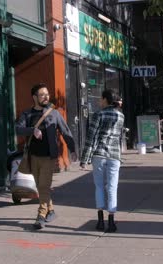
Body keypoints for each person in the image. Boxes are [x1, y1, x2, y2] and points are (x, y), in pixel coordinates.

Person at [16, 83, 78, 230]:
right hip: (33, 157)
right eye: (42, 94)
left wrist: (72, 149)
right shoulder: (27, 114)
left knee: (44, 186)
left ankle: (41, 216)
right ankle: (51, 211)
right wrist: (32, 130)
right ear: (34, 97)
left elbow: (65, 131)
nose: (46, 97)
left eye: (47, 94)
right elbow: (18, 129)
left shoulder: (54, 113)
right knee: (40, 187)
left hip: (49, 157)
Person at [80, 89, 125, 233]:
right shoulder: (121, 116)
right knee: (112, 187)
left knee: (99, 186)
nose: (100, 101)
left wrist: (84, 159)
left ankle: (100, 221)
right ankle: (111, 221)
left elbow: (91, 137)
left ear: (105, 100)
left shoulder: (98, 114)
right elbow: (118, 137)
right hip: (114, 155)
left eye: (101, 99)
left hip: (99, 154)